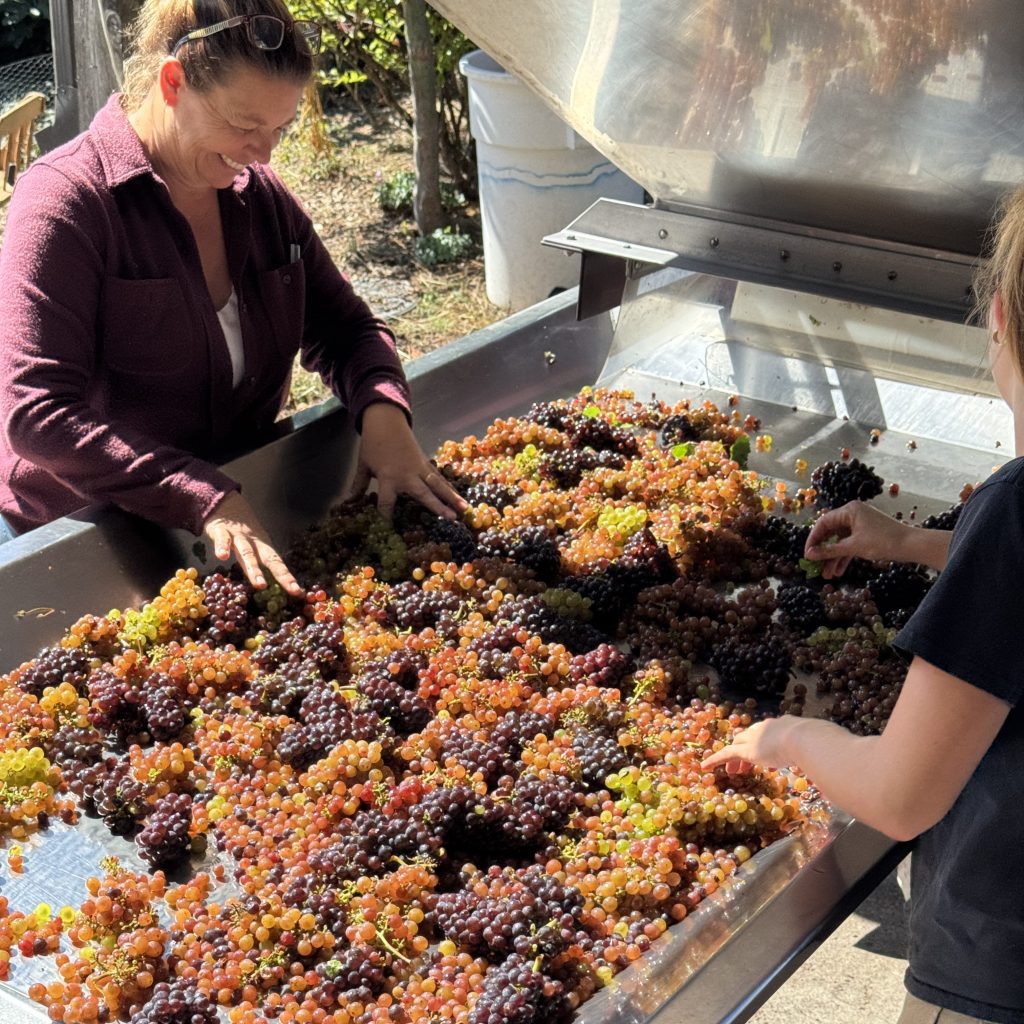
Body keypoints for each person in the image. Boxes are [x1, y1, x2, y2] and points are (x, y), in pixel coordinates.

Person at [0, 0, 465, 592]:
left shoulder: (262, 201)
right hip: (77, 539)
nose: (264, 153)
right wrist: (200, 493)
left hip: (230, 525)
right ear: (173, 82)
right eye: (245, 127)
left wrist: (384, 415)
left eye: (279, 129)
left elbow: (348, 331)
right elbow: (37, 414)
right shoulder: (67, 203)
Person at [703, 188, 1024, 1024]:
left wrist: (791, 736)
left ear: (998, 316)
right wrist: (915, 543)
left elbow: (899, 795)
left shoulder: (1016, 511)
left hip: (1000, 966)